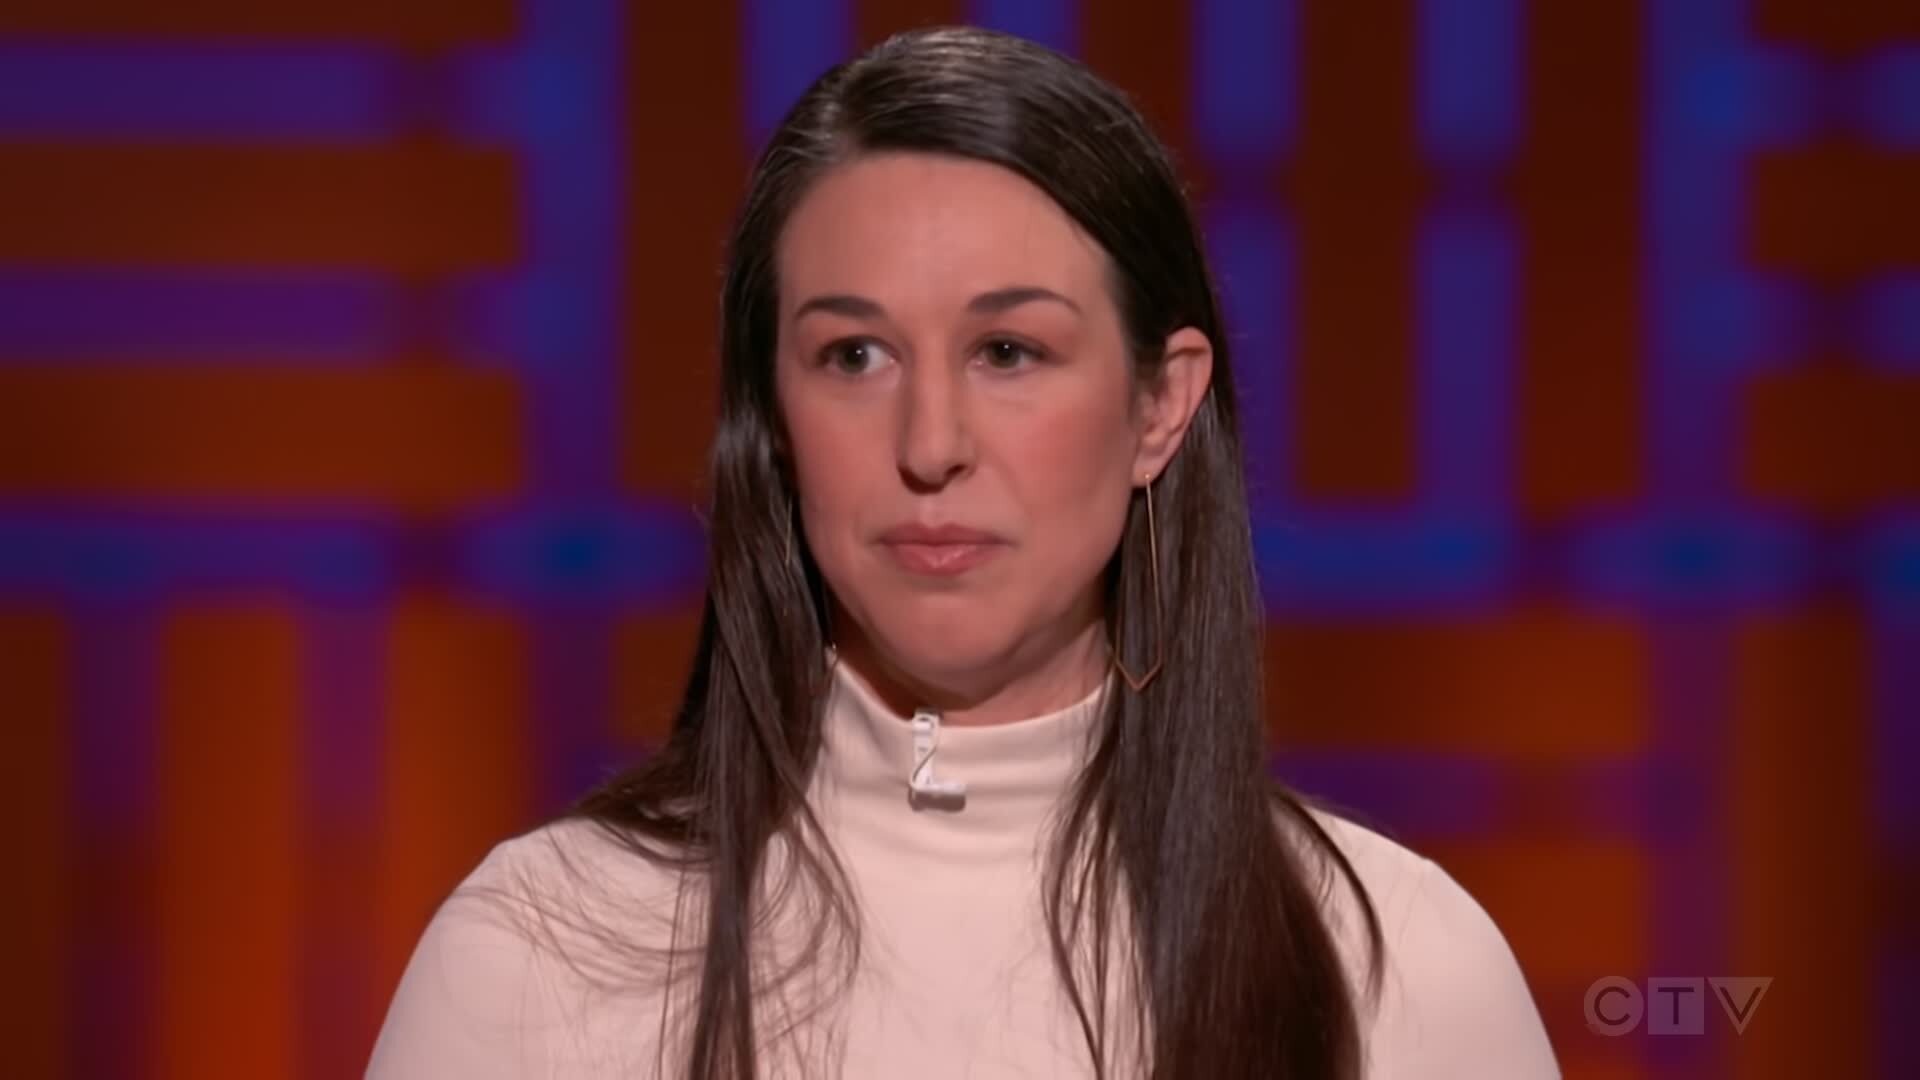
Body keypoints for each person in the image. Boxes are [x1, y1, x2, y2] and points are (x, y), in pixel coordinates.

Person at [367, 26, 1559, 1079]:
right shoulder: (537, 951)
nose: (930, 445)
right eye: (854, 357)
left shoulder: (1394, 972)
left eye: (1008, 353)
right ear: (773, 418)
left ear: (1160, 405)